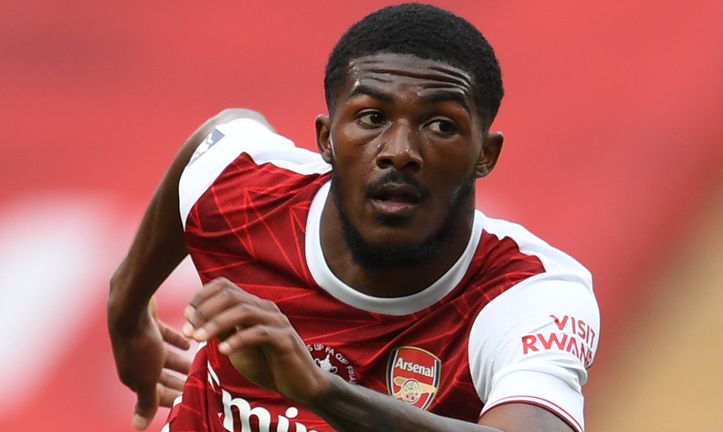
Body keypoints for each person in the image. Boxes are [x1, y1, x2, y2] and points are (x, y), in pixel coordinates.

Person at [108, 3, 600, 432]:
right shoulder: (247, 194)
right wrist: (126, 309)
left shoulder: (527, 293)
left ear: (484, 154)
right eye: (371, 118)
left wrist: (320, 391)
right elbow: (218, 134)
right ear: (326, 138)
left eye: (441, 125)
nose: (400, 152)